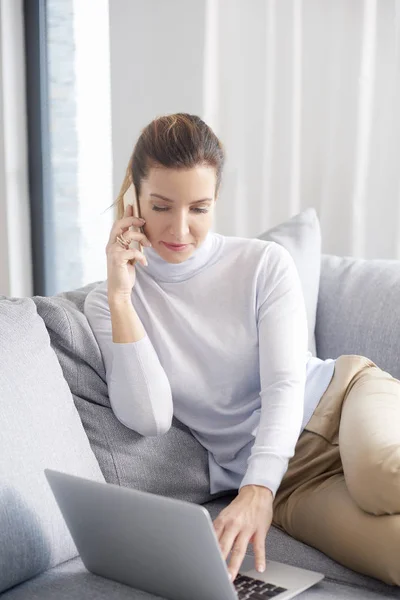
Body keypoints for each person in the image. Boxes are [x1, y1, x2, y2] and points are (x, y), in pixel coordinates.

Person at [84, 113, 400, 587]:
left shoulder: (261, 264)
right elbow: (149, 417)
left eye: (199, 208)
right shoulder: (111, 302)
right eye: (162, 206)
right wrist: (122, 297)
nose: (181, 228)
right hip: (294, 485)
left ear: (216, 202)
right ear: (133, 200)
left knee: (380, 476)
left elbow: (284, 384)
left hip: (342, 400)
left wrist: (256, 489)